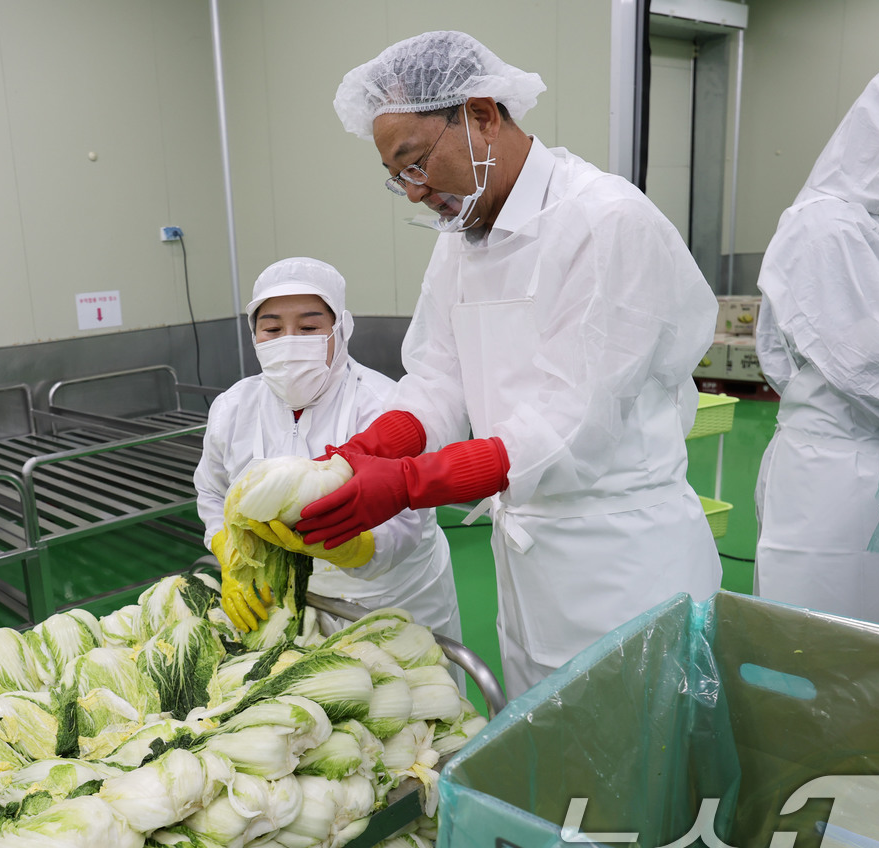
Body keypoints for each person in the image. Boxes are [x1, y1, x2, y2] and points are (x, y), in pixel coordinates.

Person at [297, 31, 722, 698]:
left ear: (481, 116)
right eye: (397, 177)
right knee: (549, 772)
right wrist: (360, 455)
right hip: (528, 572)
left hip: (621, 567)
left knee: (641, 784)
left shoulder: (602, 222)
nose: (413, 193)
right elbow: (437, 379)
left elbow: (568, 426)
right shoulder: (466, 238)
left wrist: (409, 482)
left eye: (416, 164)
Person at [754, 62, 879, 624]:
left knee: (858, 642)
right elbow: (870, 375)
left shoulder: (871, 225)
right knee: (815, 643)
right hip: (829, 479)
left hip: (863, 465)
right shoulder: (826, 228)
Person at [195, 257, 462, 645]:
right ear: (253, 335)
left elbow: (409, 519)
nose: (289, 341)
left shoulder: (385, 406)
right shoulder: (233, 408)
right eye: (272, 328)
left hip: (391, 596)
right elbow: (212, 490)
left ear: (340, 329)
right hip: (287, 599)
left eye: (308, 327)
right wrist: (227, 551)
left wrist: (355, 547)